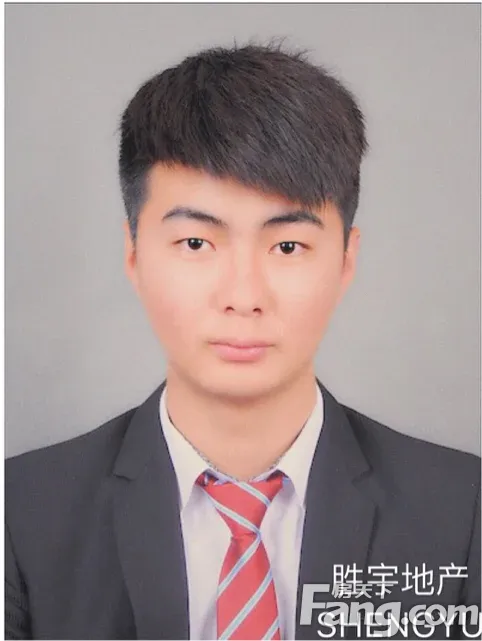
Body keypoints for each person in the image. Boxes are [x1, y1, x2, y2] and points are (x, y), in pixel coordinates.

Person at [5, 42, 480, 641]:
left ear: (345, 260)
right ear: (134, 253)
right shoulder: (20, 514)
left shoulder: (464, 511)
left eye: (287, 246)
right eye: (196, 244)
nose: (243, 295)